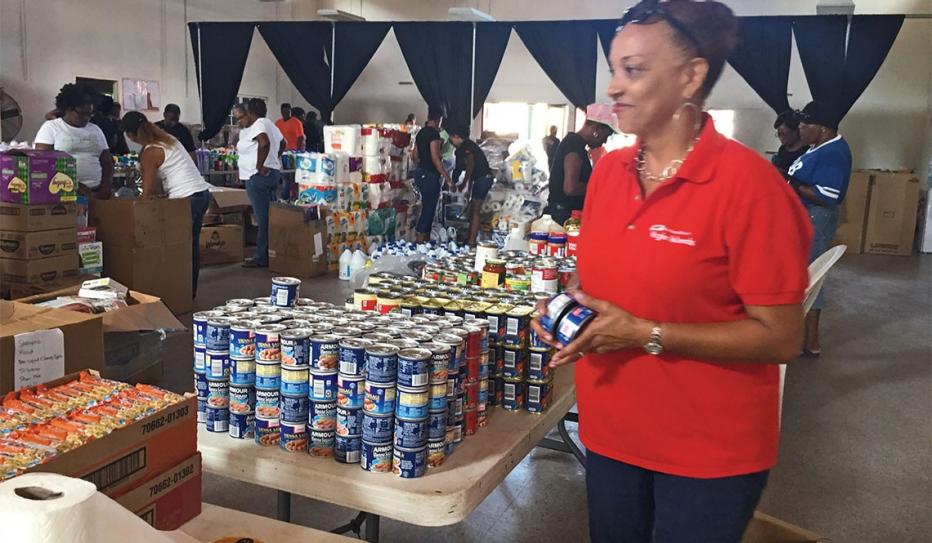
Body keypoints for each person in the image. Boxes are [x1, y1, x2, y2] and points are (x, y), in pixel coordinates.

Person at [530, 2, 814, 542]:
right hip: (611, 431)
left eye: (633, 70)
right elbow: (599, 283)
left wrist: (647, 334)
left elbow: (780, 336)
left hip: (706, 449)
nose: (613, 87)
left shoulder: (750, 187)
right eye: (613, 69)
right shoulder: (609, 171)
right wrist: (567, 309)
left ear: (692, 76)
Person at [121, 111, 213, 297]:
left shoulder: (150, 151)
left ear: (131, 135)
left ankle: (176, 289)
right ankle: (189, 290)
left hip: (185, 199)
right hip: (202, 194)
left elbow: (147, 193)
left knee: (176, 248)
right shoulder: (168, 140)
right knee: (190, 247)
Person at [787, 101, 852, 356]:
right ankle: (801, 334)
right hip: (807, 217)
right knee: (803, 273)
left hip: (817, 218)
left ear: (822, 128)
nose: (800, 128)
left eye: (805, 123)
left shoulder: (833, 152)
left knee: (811, 276)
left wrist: (792, 185)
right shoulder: (819, 147)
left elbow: (828, 195)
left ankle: (811, 341)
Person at [35, 84, 113, 199]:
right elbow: (42, 164)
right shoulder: (51, 128)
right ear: (68, 108)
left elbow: (107, 162)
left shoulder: (95, 130)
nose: (86, 118)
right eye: (82, 113)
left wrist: (106, 187)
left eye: (90, 114)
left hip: (95, 192)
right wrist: (76, 186)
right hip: (63, 193)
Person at [544, 104, 616, 225]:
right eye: (606, 136)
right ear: (596, 130)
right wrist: (600, 187)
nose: (604, 141)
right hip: (563, 216)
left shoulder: (576, 145)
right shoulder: (574, 145)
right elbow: (570, 188)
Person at [238, 98, 285, 268]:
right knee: (270, 216)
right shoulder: (270, 124)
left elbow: (264, 143)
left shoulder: (258, 124)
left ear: (250, 112)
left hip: (258, 177)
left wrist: (259, 165)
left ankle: (261, 256)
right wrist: (274, 159)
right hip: (272, 173)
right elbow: (283, 143)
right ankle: (272, 251)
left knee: (262, 218)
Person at [411, 107, 452, 243]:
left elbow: (414, 155)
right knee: (429, 208)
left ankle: (424, 240)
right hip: (430, 175)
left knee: (425, 206)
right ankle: (420, 239)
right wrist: (447, 177)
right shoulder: (434, 135)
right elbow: (435, 158)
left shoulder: (420, 133)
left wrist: (420, 167)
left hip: (420, 173)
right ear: (438, 120)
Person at [449, 125, 494, 246]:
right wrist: (468, 188)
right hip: (482, 179)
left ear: (457, 137)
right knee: (474, 208)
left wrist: (463, 183)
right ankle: (471, 238)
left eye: (452, 138)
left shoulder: (465, 147)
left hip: (483, 179)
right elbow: (462, 169)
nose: (451, 141)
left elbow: (470, 166)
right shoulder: (467, 146)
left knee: (475, 210)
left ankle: (472, 241)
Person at [771, 109, 807, 175]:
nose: (781, 138)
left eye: (784, 134)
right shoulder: (783, 149)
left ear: (795, 131)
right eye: (779, 134)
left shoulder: (805, 153)